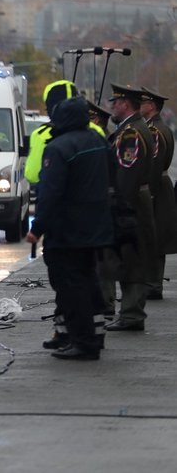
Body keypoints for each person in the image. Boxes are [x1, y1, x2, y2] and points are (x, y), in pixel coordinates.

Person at [26, 95, 113, 360]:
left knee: (70, 287)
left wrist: (37, 228)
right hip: (96, 227)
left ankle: (82, 342)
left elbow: (50, 193)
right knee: (89, 281)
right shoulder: (98, 141)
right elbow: (114, 174)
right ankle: (95, 336)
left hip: (67, 231)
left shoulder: (59, 148)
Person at [102, 83, 157, 332]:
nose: (112, 107)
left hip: (130, 203)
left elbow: (127, 173)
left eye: (115, 102)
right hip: (135, 201)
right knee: (130, 256)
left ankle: (132, 314)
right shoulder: (131, 129)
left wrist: (117, 203)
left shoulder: (131, 133)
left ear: (125, 104)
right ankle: (130, 312)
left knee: (132, 257)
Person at [139, 87, 177, 300]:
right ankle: (153, 283)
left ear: (152, 106)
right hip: (161, 185)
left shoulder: (154, 131)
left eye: (143, 103)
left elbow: (154, 164)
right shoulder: (158, 128)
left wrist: (149, 193)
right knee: (155, 237)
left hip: (157, 187)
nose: (140, 106)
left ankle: (153, 284)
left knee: (153, 237)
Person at [26, 80, 82, 184]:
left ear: (51, 108)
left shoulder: (41, 135)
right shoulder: (96, 131)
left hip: (57, 197)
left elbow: (32, 175)